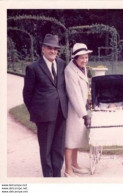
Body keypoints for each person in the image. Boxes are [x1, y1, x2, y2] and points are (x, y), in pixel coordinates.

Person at [23, 34, 68, 177]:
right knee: (46, 149)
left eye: (55, 49)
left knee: (59, 148)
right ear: (43, 49)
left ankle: (57, 176)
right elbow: (27, 94)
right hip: (44, 116)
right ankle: (48, 180)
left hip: (61, 113)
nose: (53, 51)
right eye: (50, 48)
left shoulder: (62, 64)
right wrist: (36, 113)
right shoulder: (33, 68)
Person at [64, 43, 92, 177]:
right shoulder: (70, 71)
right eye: (82, 58)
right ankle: (68, 169)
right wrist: (85, 115)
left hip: (81, 109)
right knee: (70, 140)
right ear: (75, 58)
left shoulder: (82, 68)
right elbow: (74, 95)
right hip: (73, 110)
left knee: (77, 138)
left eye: (86, 57)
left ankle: (75, 164)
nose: (85, 60)